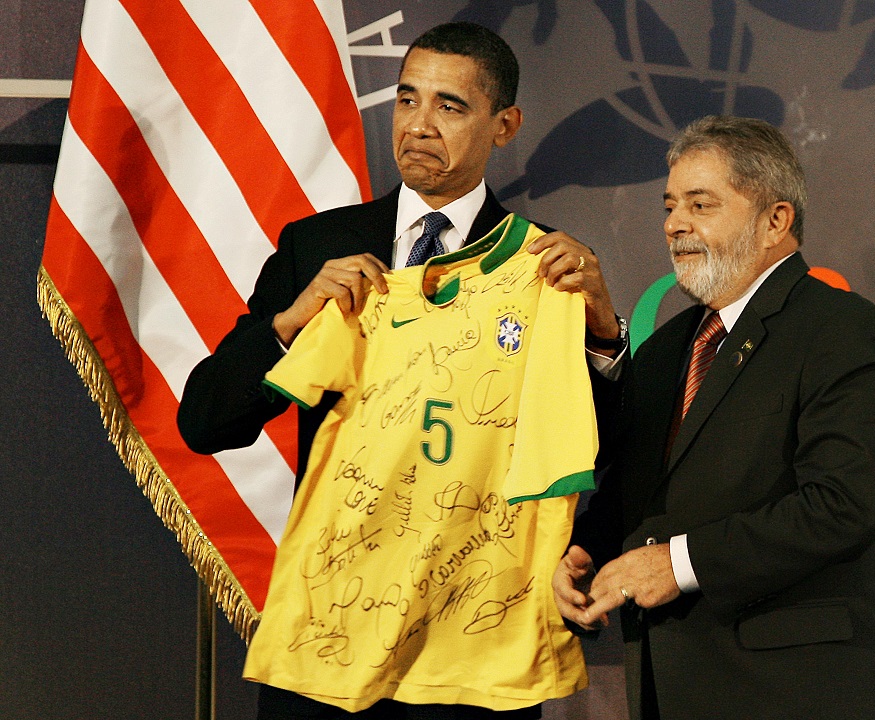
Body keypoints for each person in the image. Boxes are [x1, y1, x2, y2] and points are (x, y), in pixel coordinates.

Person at [178, 21, 619, 720]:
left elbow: (607, 444)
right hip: (333, 633)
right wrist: (290, 321)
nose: (418, 125)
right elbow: (204, 421)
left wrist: (601, 333)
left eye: (449, 106)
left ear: (504, 125)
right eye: (407, 99)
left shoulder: (547, 267)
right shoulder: (317, 247)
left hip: (472, 644)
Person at [552, 115, 875, 720]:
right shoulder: (671, 346)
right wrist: (586, 548)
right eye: (670, 205)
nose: (674, 224)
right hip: (672, 689)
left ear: (776, 220)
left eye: (701, 204)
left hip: (794, 692)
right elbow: (639, 489)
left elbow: (842, 505)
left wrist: (677, 563)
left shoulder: (844, 330)